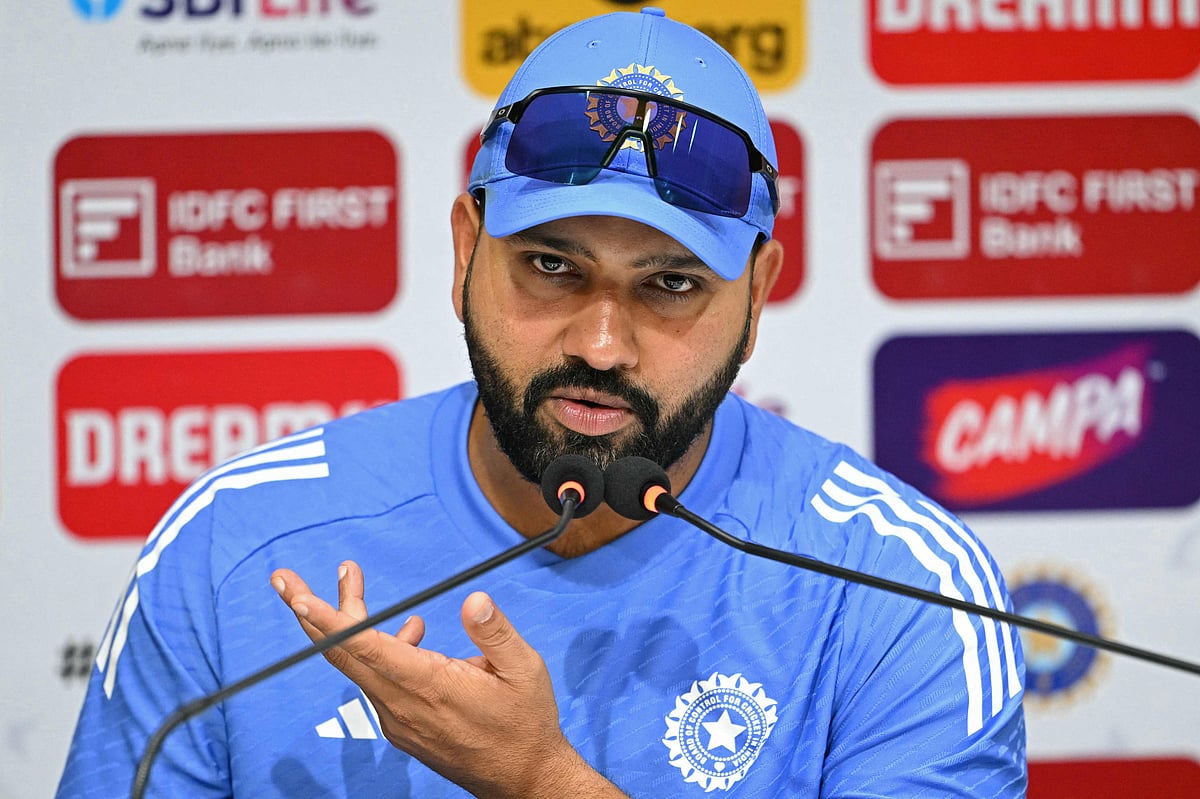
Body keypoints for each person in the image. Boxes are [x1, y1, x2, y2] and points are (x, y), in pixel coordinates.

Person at [57, 8, 1026, 798]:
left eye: (671, 284)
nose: (600, 345)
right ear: (464, 250)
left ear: (759, 293)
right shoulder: (240, 542)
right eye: (552, 267)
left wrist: (539, 781)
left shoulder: (902, 588)